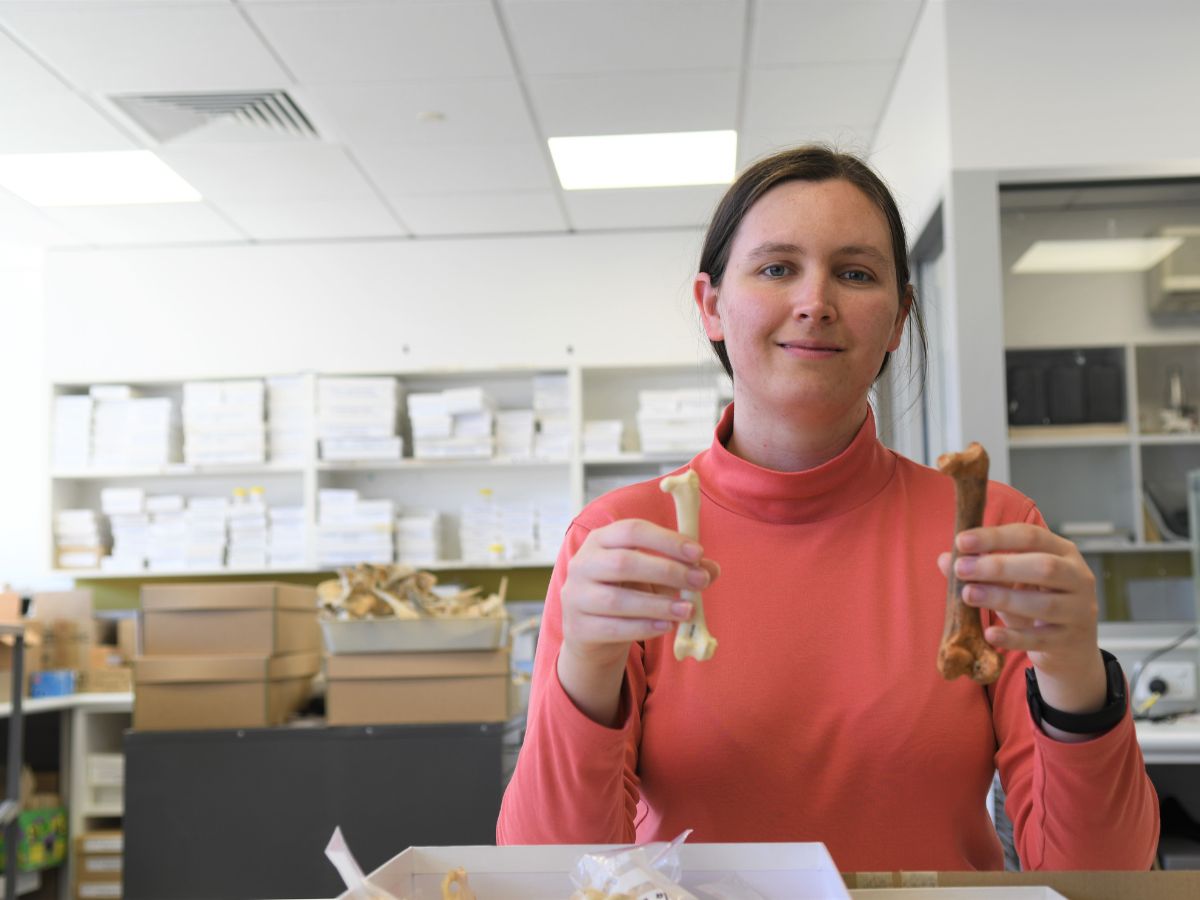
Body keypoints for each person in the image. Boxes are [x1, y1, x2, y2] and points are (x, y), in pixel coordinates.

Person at [496, 145, 1159, 871]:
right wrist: (585, 666)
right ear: (711, 305)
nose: (816, 302)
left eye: (855, 273)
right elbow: (548, 877)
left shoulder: (989, 533)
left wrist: (1074, 677)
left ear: (899, 318)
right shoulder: (621, 546)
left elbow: (1103, 876)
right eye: (777, 268)